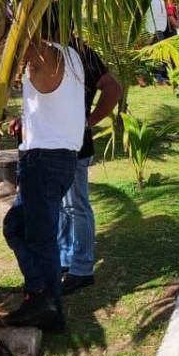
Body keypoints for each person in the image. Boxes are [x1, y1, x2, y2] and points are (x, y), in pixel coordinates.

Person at [1, 17, 88, 331]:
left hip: (44, 160)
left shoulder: (46, 54)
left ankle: (45, 302)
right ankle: (41, 297)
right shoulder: (73, 56)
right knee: (17, 227)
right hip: (61, 158)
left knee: (40, 239)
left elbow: (13, 53)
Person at [58, 38, 123, 294]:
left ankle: (82, 268)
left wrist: (90, 120)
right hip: (53, 144)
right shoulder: (47, 53)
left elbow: (113, 89)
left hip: (75, 144)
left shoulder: (80, 53)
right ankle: (65, 260)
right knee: (62, 205)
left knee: (76, 205)